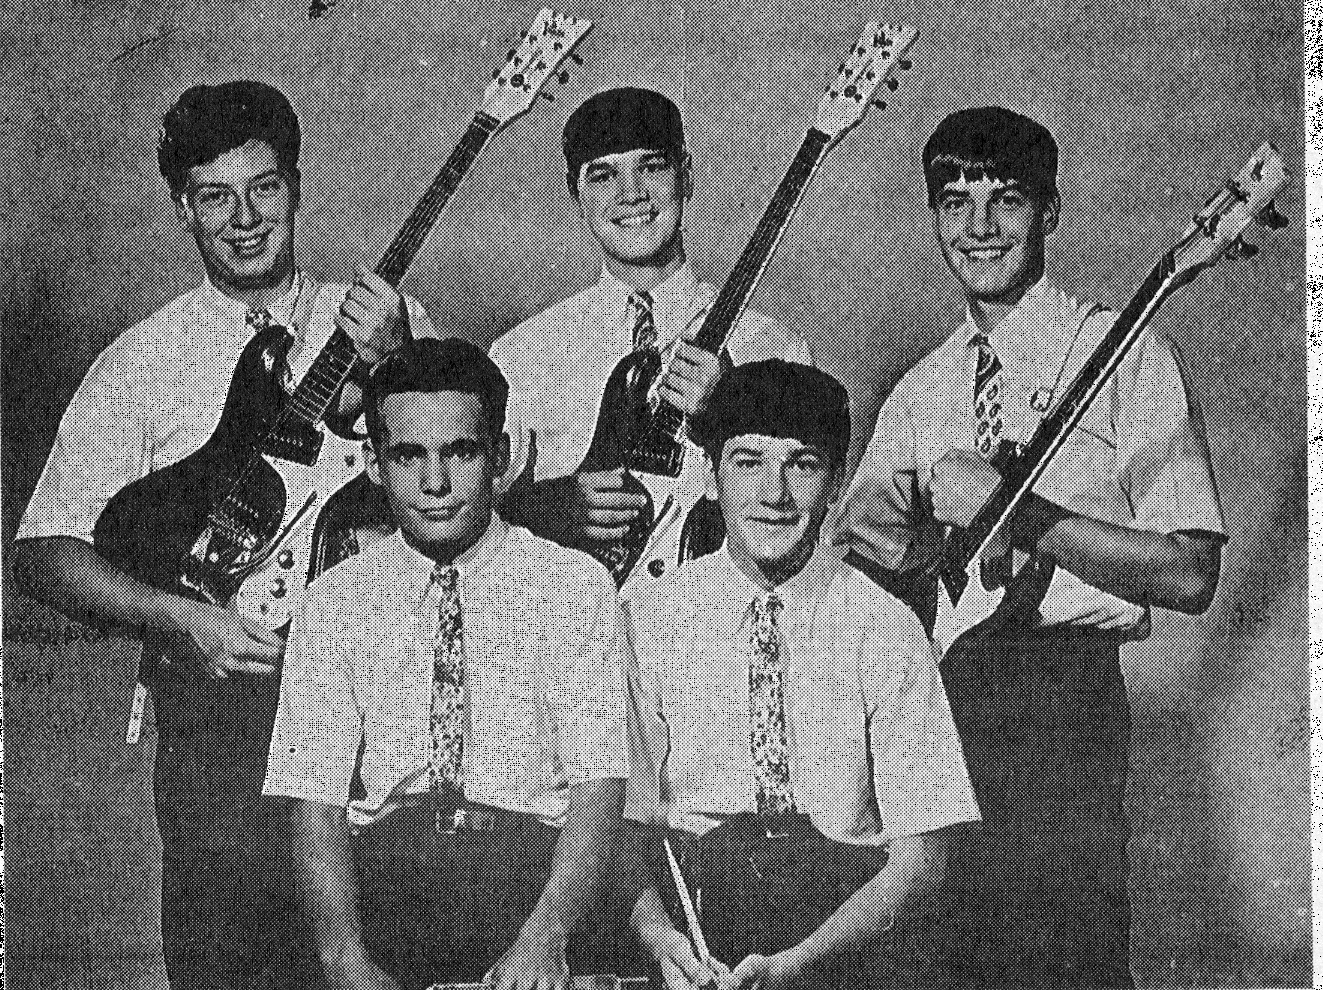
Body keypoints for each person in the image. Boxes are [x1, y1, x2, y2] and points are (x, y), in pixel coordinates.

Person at [10, 81, 435, 990]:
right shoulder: (142, 361)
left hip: (379, 713)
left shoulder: (382, 321)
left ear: (296, 187)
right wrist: (179, 620)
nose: (244, 220)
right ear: (182, 207)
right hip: (219, 728)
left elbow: (462, 493)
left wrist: (398, 362)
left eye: (263, 188)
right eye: (215, 197)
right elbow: (44, 552)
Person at [835, 106, 1227, 987]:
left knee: (1064, 961)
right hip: (940, 705)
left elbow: (1190, 573)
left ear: (1048, 210)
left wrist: (1020, 515)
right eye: (956, 202)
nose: (979, 227)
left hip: (1061, 699)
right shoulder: (921, 389)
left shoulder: (1124, 353)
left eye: (1005, 200)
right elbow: (865, 572)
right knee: (942, 961)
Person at [264, 337, 632, 990]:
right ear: (374, 465)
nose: (434, 484)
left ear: (500, 458)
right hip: (386, 885)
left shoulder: (573, 586)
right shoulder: (332, 601)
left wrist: (544, 940)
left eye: (459, 452)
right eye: (408, 456)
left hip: (530, 880)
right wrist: (344, 959)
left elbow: (599, 788)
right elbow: (313, 799)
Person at [624, 360, 980, 990]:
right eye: (748, 462)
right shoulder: (647, 618)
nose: (774, 493)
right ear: (711, 477)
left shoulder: (886, 625)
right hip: (691, 928)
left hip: (841, 935)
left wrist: (800, 964)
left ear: (836, 482)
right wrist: (660, 940)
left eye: (802, 465)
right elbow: (621, 829)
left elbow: (923, 858)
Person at [491, 87, 813, 597]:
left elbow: (805, 523)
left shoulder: (772, 347)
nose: (632, 193)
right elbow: (467, 517)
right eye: (603, 176)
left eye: (652, 167)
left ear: (686, 177)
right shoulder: (523, 353)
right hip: (568, 623)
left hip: (709, 629)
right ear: (575, 196)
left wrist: (730, 411)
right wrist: (541, 508)